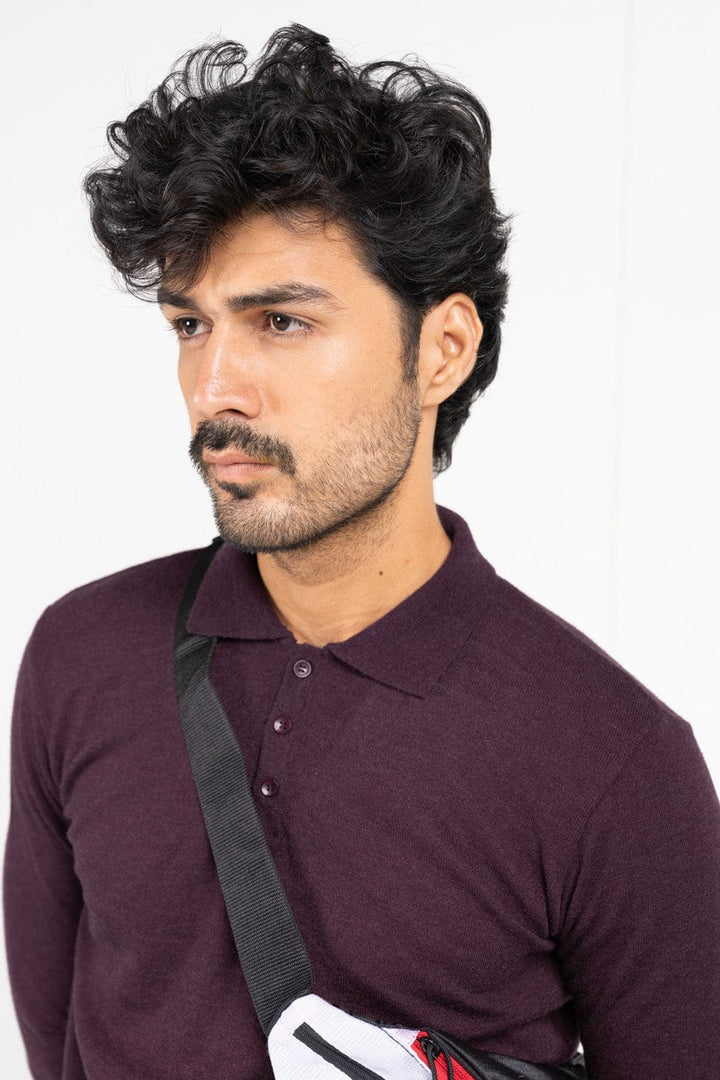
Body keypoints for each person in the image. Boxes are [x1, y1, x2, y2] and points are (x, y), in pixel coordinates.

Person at [3, 22, 719, 1080]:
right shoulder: (82, 655)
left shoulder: (616, 763)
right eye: (191, 326)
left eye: (281, 322)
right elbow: (57, 1040)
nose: (215, 388)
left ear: (443, 349)